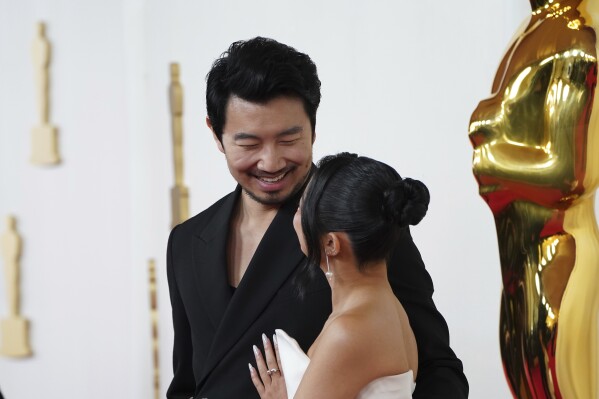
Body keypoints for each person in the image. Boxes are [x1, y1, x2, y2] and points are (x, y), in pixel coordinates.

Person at [166, 36, 468, 398]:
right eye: (248, 144)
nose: (271, 162)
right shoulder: (186, 242)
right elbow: (186, 385)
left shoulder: (360, 224)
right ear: (216, 134)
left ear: (313, 127)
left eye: (289, 139)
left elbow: (439, 370)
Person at [249, 153, 426, 398]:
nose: (295, 218)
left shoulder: (349, 331)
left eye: (302, 209)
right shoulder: (389, 308)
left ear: (331, 243)